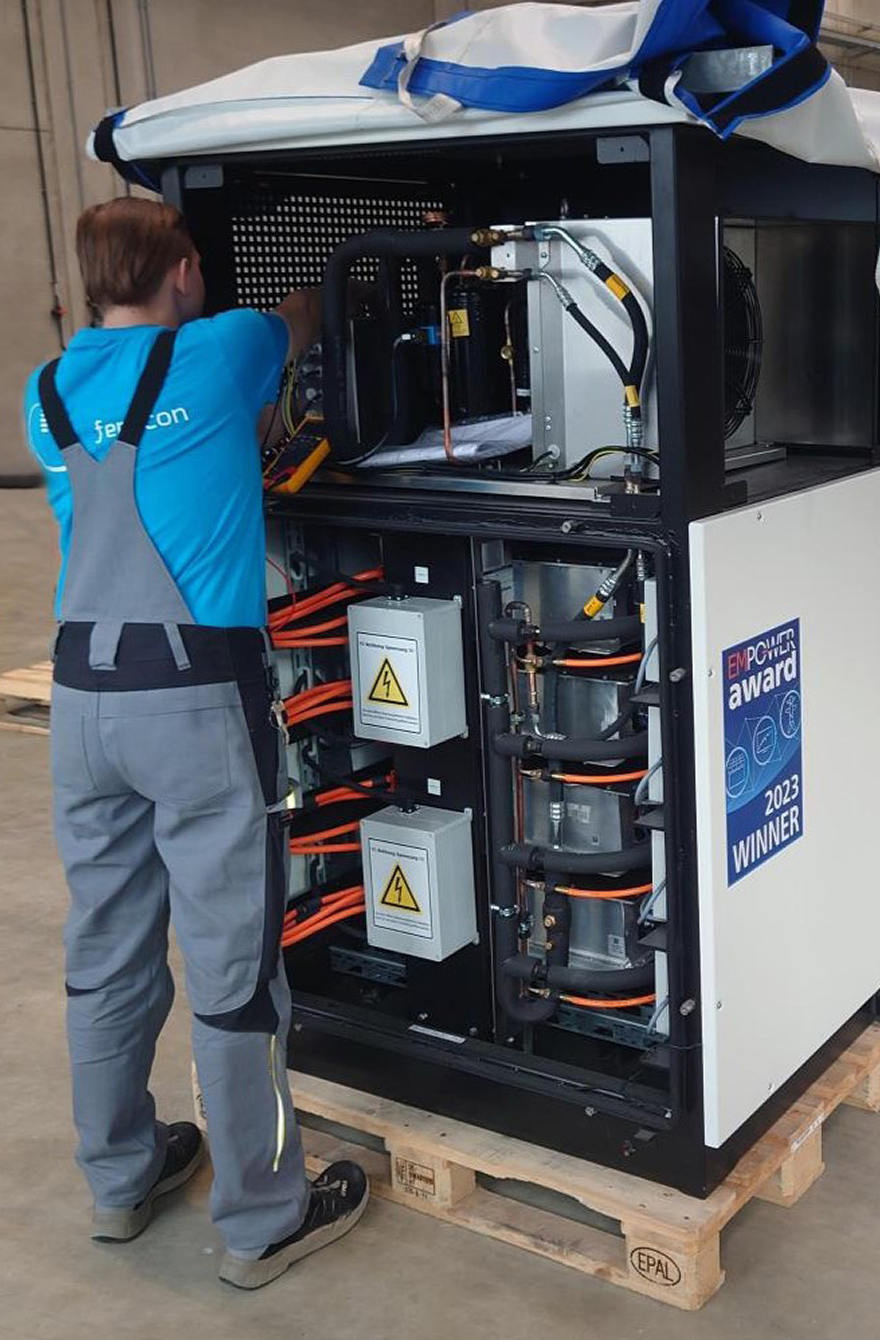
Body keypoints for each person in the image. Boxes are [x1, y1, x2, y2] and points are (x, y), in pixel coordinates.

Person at [23, 196, 368, 1291]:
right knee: (230, 965)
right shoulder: (222, 349)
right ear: (180, 269)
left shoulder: (47, 392)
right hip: (194, 703)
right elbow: (304, 316)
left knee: (107, 952)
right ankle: (264, 1214)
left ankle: (122, 1178)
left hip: (82, 707)